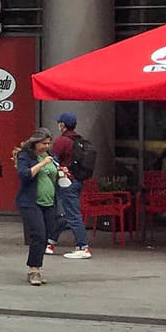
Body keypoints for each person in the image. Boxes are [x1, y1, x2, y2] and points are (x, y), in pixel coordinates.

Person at [16, 130, 59, 285]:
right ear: (35, 142)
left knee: (46, 235)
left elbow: (54, 173)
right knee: (38, 235)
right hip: (30, 202)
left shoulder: (51, 156)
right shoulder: (25, 156)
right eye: (43, 143)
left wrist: (61, 172)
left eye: (48, 143)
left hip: (49, 202)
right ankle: (34, 270)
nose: (46, 146)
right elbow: (24, 175)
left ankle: (37, 267)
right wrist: (42, 164)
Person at [49, 111, 93, 260]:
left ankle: (83, 246)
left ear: (62, 125)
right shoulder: (79, 140)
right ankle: (50, 242)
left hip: (65, 181)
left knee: (72, 214)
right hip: (77, 181)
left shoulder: (61, 141)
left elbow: (52, 161)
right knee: (67, 214)